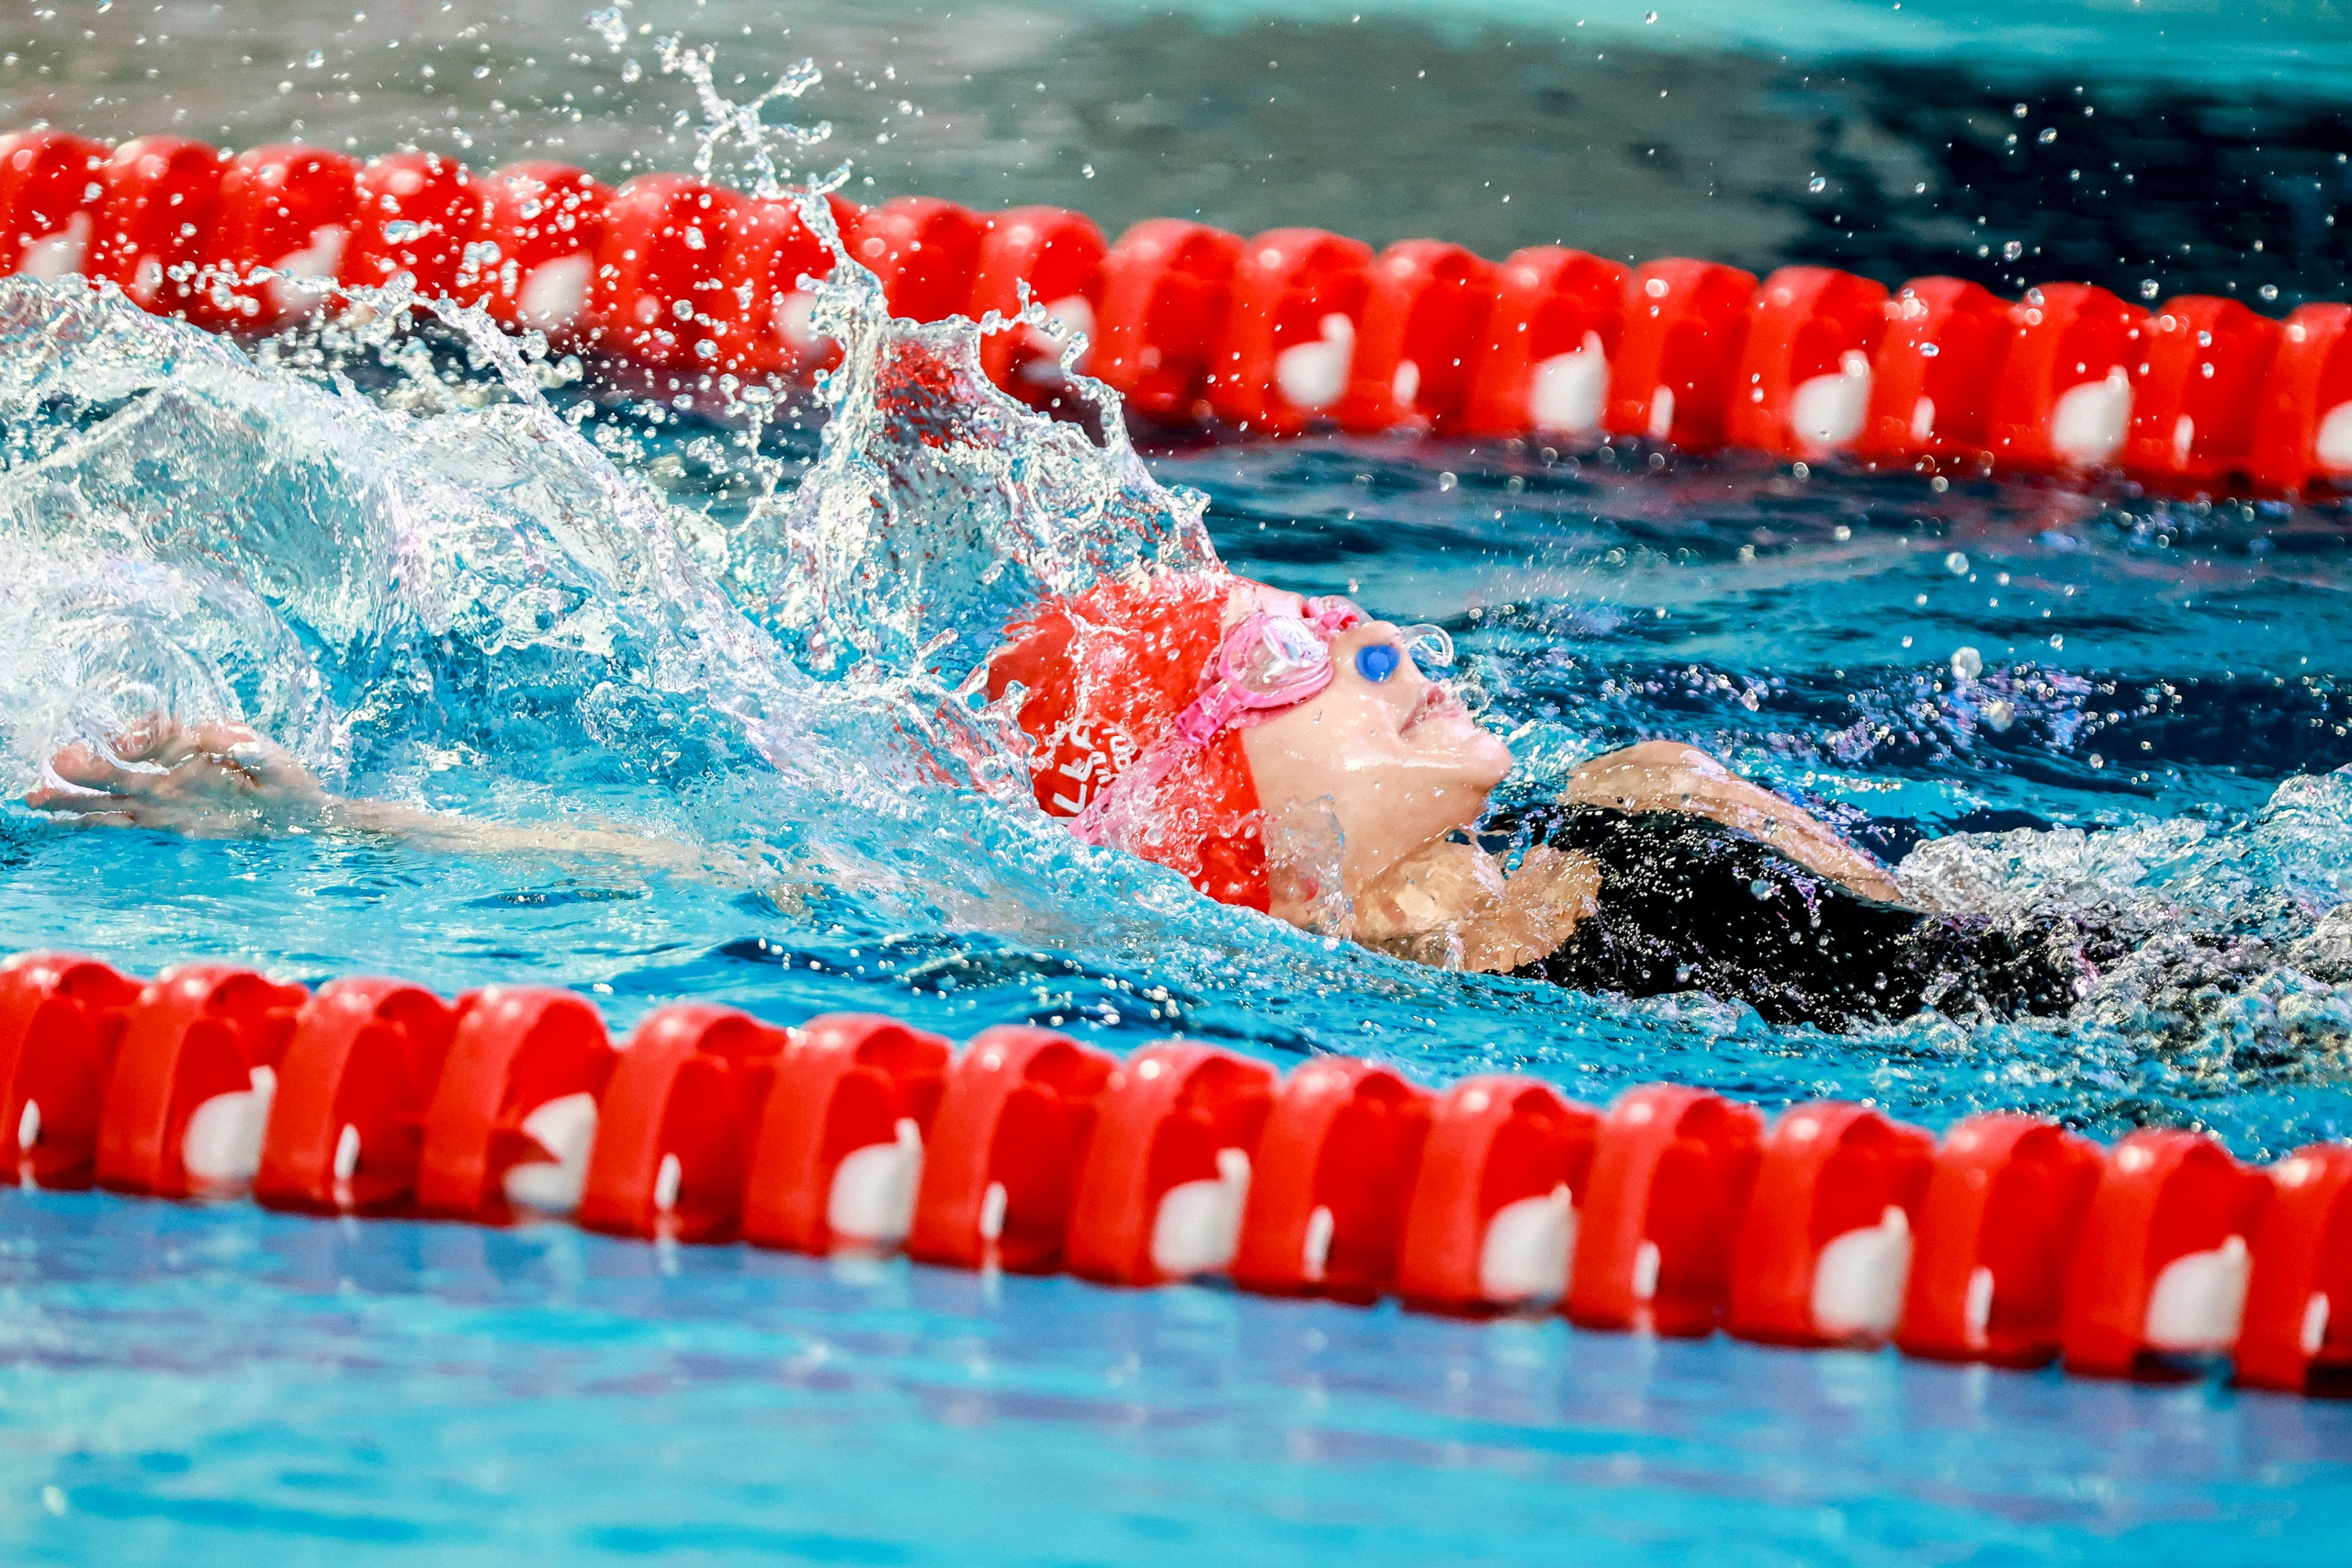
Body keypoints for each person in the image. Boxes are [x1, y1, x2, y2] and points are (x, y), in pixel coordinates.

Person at [25, 568, 2090, 1031]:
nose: (1385, 649)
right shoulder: (1176, 952)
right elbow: (712, 875)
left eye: (1347, 623)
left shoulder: (1631, 805)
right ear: (1223, 816)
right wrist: (329, 830)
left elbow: (2004, 959)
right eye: (1303, 661)